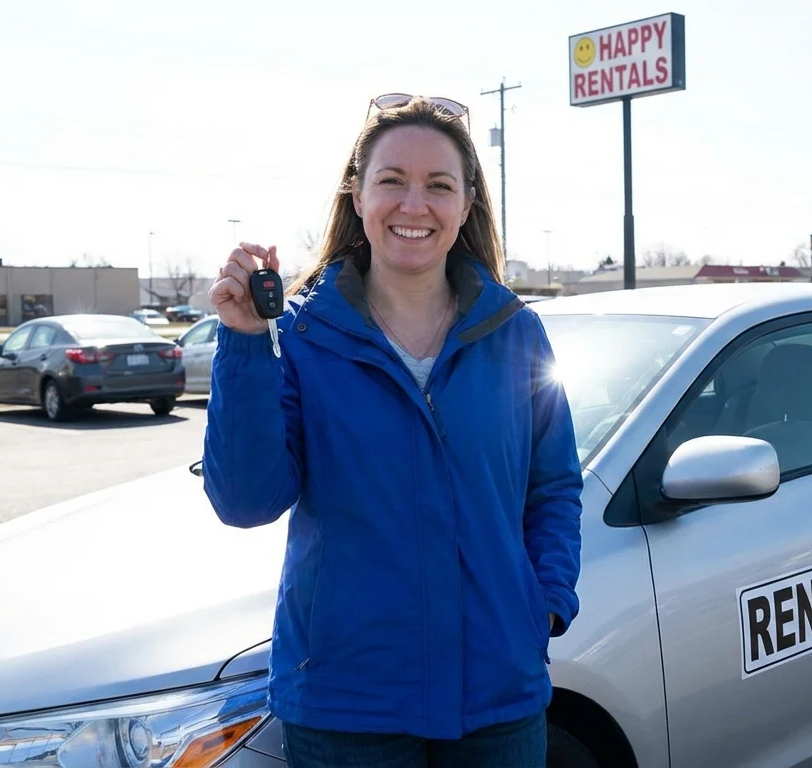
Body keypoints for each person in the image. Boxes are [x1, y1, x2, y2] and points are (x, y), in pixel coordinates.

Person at [201, 93, 583, 767]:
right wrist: (244, 344)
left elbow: (553, 487)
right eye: (391, 182)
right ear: (356, 194)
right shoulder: (301, 338)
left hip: (498, 692)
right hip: (347, 703)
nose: (415, 206)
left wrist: (542, 606)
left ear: (467, 203)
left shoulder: (515, 332)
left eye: (439, 185)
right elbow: (246, 500)